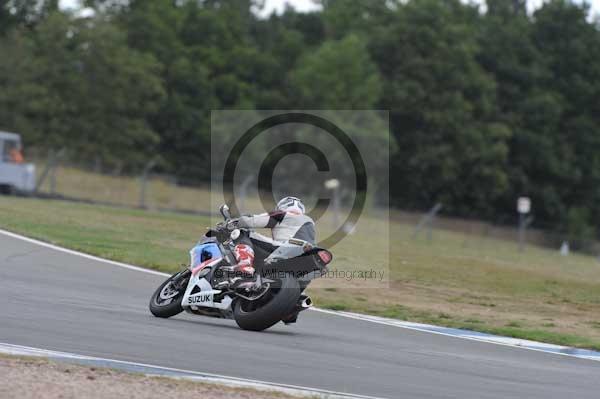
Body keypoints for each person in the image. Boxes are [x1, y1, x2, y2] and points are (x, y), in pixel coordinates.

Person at [227, 196, 315, 279]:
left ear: (283, 206)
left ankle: (244, 264)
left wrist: (235, 222)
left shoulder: (282, 214)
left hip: (286, 247)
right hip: (307, 253)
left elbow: (252, 221)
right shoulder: (310, 222)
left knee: (243, 233)